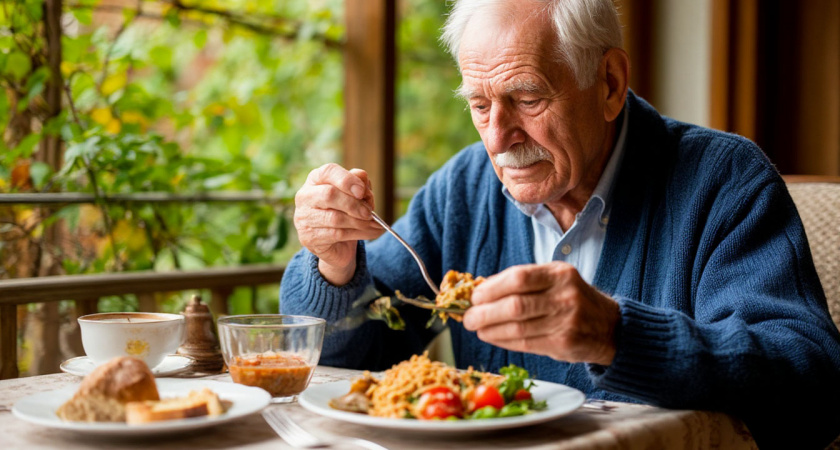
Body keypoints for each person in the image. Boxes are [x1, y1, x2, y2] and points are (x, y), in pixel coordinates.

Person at [280, 0, 840, 447]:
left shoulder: (724, 180)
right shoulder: (463, 188)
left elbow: (814, 388)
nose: (498, 139)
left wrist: (616, 335)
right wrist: (335, 266)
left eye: (527, 98)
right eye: (479, 105)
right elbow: (348, 356)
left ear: (609, 84)